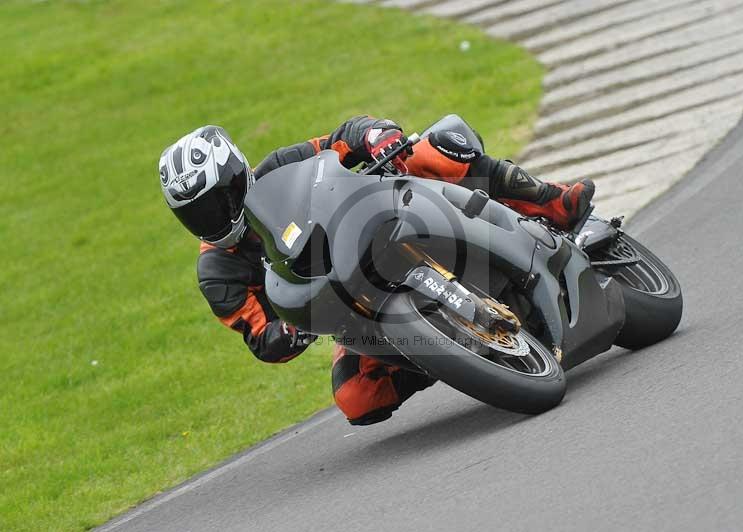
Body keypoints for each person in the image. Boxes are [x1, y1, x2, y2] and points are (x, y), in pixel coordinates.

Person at [158, 116, 594, 425]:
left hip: (384, 225)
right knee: (356, 398)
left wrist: (375, 135)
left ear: (237, 174)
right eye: (196, 213)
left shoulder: (278, 168)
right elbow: (261, 337)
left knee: (434, 150)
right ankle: (445, 354)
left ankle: (551, 200)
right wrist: (293, 332)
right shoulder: (218, 271)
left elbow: (341, 140)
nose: (213, 217)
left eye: (217, 200)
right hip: (351, 309)